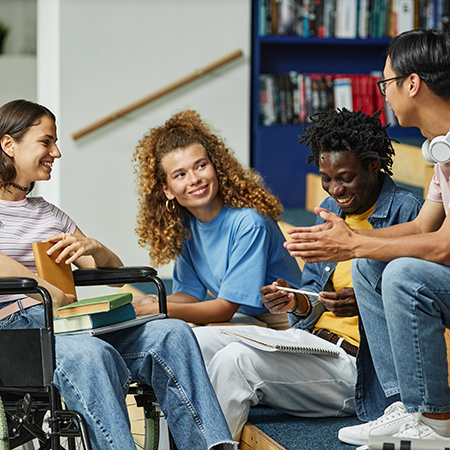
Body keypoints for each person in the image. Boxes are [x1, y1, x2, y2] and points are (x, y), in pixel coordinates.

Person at [0, 99, 236, 450]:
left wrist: (95, 249)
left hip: (66, 326)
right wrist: (46, 288)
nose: (57, 152)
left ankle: (211, 446)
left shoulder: (50, 214)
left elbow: (109, 273)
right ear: (9, 145)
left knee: (172, 332)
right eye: (46, 142)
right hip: (17, 334)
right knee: (92, 355)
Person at [193, 108, 424, 441]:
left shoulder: (409, 213)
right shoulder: (330, 212)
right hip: (312, 343)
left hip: (357, 366)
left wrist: (360, 303)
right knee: (193, 341)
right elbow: (313, 293)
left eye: (345, 177)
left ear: (373, 165)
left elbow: (418, 305)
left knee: (235, 361)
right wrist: (296, 300)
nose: (335, 189)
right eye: (326, 178)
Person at [283, 29, 450, 449]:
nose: (385, 96)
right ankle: (402, 405)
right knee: (369, 264)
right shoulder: (440, 151)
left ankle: (435, 420)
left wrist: (353, 242)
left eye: (386, 83)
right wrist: (351, 242)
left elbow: (444, 246)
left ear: (412, 84)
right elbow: (421, 227)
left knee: (405, 275)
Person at [132, 109, 301, 328]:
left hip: (285, 321)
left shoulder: (249, 223)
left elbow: (223, 310)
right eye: (180, 174)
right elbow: (189, 295)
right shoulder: (186, 225)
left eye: (201, 165)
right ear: (167, 189)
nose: (194, 179)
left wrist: (158, 308)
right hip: (247, 317)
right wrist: (150, 301)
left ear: (216, 167)